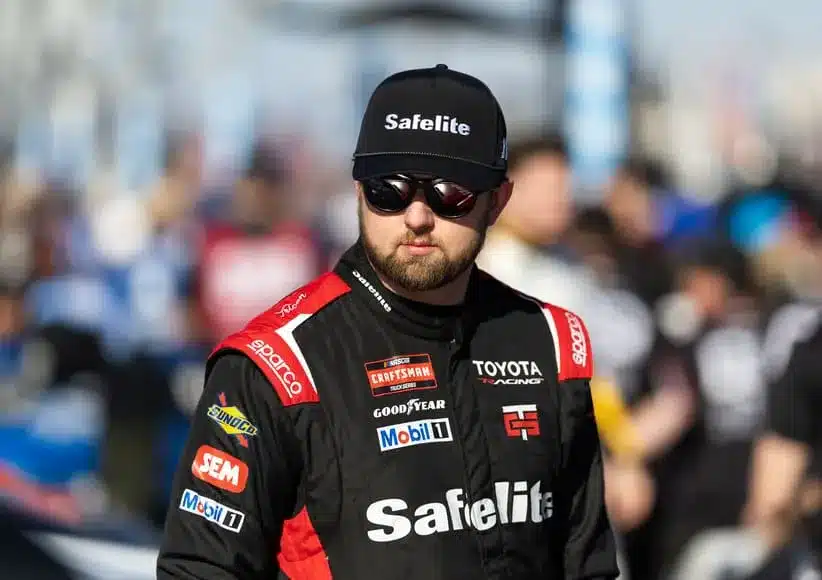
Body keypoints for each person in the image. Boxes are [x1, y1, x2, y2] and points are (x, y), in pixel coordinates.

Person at [156, 64, 619, 580]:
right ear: (358, 191)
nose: (417, 216)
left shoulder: (551, 342)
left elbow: (588, 562)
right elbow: (200, 570)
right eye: (389, 189)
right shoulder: (276, 366)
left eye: (450, 193)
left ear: (497, 202)